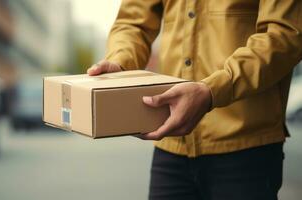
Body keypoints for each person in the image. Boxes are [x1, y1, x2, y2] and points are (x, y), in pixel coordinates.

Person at [87, 1, 302, 199]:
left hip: (245, 144)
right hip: (172, 145)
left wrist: (212, 90)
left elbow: (284, 35)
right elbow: (133, 23)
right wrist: (120, 62)